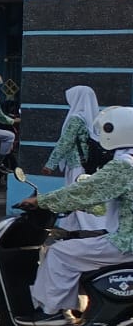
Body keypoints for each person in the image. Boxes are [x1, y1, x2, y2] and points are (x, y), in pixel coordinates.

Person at [20, 106, 133, 326]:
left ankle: (52, 311)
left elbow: (84, 191)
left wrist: (40, 201)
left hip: (126, 242)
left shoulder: (124, 165)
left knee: (59, 253)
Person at [44, 85, 106, 232]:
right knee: (78, 195)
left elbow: (64, 143)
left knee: (77, 196)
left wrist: (50, 164)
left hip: (77, 164)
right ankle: (69, 227)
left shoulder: (76, 119)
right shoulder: (94, 118)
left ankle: (94, 228)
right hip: (89, 164)